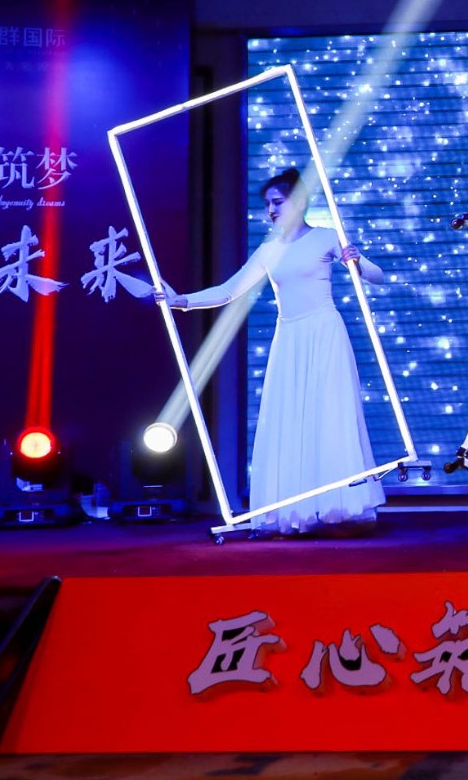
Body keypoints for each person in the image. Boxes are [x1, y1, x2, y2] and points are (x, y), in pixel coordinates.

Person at [161, 168, 385, 535]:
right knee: (289, 419)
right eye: (267, 204)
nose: (271, 210)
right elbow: (229, 291)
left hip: (324, 334)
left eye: (277, 202)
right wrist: (180, 301)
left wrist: (358, 260)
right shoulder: (269, 250)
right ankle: (297, 511)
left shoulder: (326, 237)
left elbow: (376, 277)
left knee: (331, 416)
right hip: (290, 338)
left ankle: (339, 507)